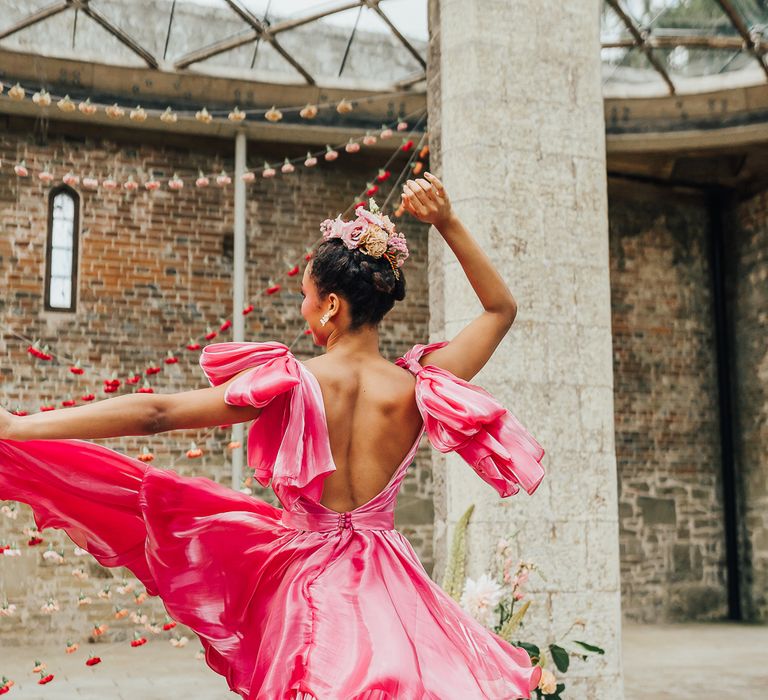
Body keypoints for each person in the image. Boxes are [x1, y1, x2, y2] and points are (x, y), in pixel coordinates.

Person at [0, 172, 546, 699]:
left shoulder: (293, 382)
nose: (302, 308)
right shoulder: (416, 386)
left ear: (331, 305)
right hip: (394, 586)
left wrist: (20, 426)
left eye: (305, 295)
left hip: (309, 580)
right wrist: (446, 222)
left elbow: (156, 413)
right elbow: (501, 309)